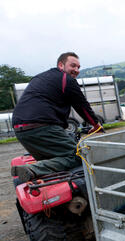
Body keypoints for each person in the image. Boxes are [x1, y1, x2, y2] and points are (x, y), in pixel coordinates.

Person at [11, 52, 104, 182]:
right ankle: (33, 169)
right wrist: (96, 125)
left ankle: (49, 191)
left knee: (52, 163)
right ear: (61, 65)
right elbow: (82, 106)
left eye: (78, 67)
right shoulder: (67, 80)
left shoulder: (39, 78)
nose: (76, 70)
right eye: (73, 66)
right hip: (42, 126)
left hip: (20, 129)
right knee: (78, 155)